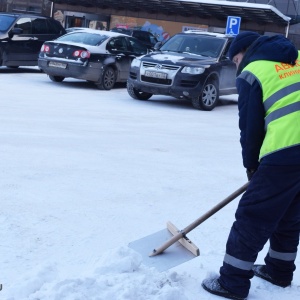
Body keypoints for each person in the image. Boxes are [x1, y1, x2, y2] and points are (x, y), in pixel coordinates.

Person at [201, 31, 300, 300]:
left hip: (286, 150)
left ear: (247, 51)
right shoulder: (297, 59)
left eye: (236, 59)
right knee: (289, 213)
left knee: (253, 216)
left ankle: (232, 282)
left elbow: (250, 127)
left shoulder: (252, 72)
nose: (237, 65)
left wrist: (252, 166)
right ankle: (279, 271)